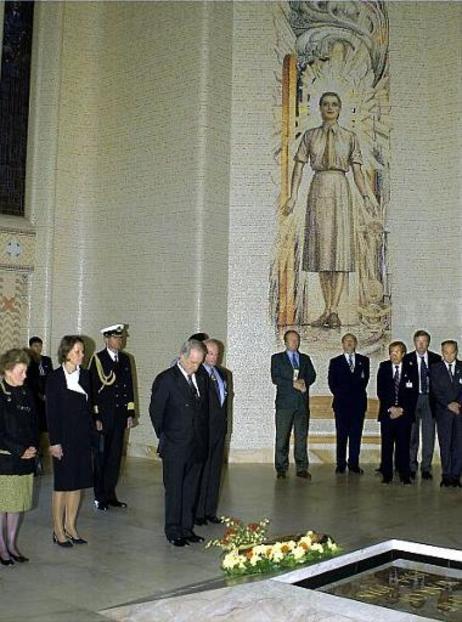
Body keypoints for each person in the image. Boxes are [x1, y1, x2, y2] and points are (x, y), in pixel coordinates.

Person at [284, 92, 374, 328]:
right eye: (326, 104)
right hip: (319, 189)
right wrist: (292, 196)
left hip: (340, 190)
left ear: (340, 108)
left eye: (334, 104)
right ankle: (328, 309)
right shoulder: (310, 135)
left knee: (340, 251)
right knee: (323, 252)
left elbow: (357, 172)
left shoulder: (349, 137)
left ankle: (332, 310)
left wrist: (367, 196)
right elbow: (298, 168)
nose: (330, 108)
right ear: (320, 108)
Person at [150, 339, 209, 546]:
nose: (196, 367)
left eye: (199, 363)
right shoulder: (166, 379)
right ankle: (174, 530)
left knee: (191, 489)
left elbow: (203, 412)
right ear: (182, 356)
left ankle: (187, 528)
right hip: (175, 445)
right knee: (174, 489)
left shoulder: (201, 378)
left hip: (196, 444)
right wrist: (168, 436)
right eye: (192, 362)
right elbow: (156, 412)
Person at [46, 336, 93, 547]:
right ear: (66, 353)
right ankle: (58, 529)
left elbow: (89, 409)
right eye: (77, 351)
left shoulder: (87, 376)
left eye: (82, 351)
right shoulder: (55, 378)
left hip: (82, 438)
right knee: (63, 485)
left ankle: (71, 526)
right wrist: (54, 442)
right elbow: (51, 413)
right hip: (63, 439)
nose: (82, 355)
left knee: (77, 484)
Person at [89, 324, 135, 511]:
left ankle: (110, 494)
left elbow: (128, 388)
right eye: (116, 338)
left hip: (119, 416)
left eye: (121, 337)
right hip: (104, 416)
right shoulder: (98, 360)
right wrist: (96, 416)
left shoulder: (125, 359)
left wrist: (130, 413)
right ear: (107, 339)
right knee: (101, 457)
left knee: (115, 457)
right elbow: (92, 391)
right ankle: (100, 496)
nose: (120, 341)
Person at [0, 349, 38, 565]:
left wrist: (32, 447)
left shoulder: (26, 392)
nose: (25, 376)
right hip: (5, 460)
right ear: (7, 369)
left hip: (25, 459)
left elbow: (34, 424)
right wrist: (19, 449)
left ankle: (12, 544)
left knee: (16, 505)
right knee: (2, 506)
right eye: (21, 371)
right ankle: (1, 547)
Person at [271, 330, 316, 480]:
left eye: (297, 340)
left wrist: (305, 382)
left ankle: (302, 468)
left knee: (301, 437)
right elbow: (275, 378)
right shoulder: (277, 358)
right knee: (282, 437)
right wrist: (292, 384)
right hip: (285, 404)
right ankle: (281, 468)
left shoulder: (305, 358)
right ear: (285, 342)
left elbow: (312, 375)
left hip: (302, 404)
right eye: (292, 340)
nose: (295, 343)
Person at [195, 339, 227, 525]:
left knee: (215, 471)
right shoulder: (197, 375)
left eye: (217, 353)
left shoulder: (223, 374)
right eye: (211, 353)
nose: (215, 357)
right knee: (202, 471)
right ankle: (198, 512)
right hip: (204, 431)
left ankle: (209, 510)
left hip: (218, 431)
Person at [328, 333, 370, 474]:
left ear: (356, 343)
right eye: (347, 341)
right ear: (343, 344)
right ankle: (340, 464)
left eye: (352, 341)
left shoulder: (364, 361)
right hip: (341, 405)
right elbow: (332, 384)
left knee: (356, 436)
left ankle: (353, 464)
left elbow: (364, 381)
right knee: (341, 436)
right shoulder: (335, 362)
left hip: (358, 405)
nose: (349, 343)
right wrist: (345, 394)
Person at [377, 341, 417, 485]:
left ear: (403, 354)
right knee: (387, 446)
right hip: (387, 414)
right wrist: (391, 408)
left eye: (397, 352)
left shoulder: (411, 369)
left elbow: (413, 394)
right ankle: (386, 474)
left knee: (403, 446)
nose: (394, 355)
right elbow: (380, 391)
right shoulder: (384, 367)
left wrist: (401, 409)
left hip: (404, 415)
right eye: (391, 352)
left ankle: (404, 474)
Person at [403, 330, 441, 480]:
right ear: (414, 342)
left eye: (424, 341)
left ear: (428, 343)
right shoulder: (407, 359)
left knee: (428, 435)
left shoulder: (436, 359)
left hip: (429, 401)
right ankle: (412, 466)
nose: (421, 344)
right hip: (413, 401)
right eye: (419, 341)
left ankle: (426, 467)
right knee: (412, 435)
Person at [430, 340, 462, 488]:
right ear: (442, 352)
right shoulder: (435, 368)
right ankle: (446, 475)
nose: (449, 355)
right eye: (446, 352)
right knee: (445, 444)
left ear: (457, 352)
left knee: (458, 444)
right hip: (444, 413)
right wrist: (448, 404)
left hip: (459, 412)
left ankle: (456, 475)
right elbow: (435, 390)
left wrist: (457, 404)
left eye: (452, 352)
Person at [26, 336, 53, 475]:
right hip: (34, 401)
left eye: (40, 346)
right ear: (30, 347)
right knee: (34, 430)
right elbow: (29, 382)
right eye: (35, 346)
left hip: (46, 401)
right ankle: (35, 460)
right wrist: (39, 395)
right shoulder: (28, 361)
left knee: (44, 430)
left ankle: (41, 456)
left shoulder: (47, 360)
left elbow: (51, 378)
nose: (38, 348)